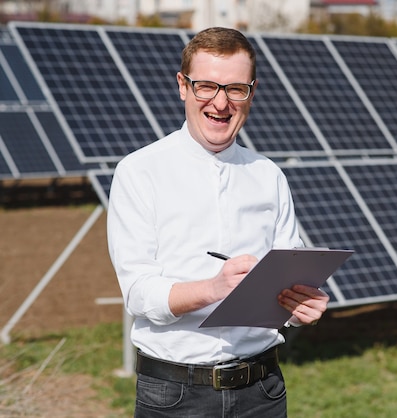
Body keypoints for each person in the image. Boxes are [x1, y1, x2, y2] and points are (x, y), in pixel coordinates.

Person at [107, 27, 329, 418]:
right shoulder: (139, 171)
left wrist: (299, 306)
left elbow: (285, 280)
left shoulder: (269, 175)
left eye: (235, 89)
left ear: (252, 92)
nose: (220, 103)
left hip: (263, 390)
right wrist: (213, 288)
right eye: (206, 86)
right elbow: (139, 293)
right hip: (174, 395)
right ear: (182, 86)